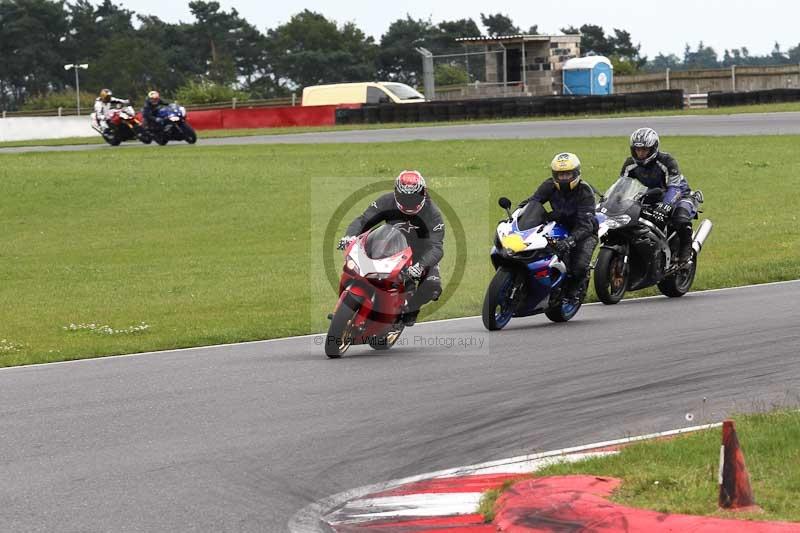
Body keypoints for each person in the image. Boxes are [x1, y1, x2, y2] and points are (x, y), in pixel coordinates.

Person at [338, 170, 445, 326]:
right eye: (404, 198)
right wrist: (350, 236)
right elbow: (363, 220)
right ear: (396, 193)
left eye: (414, 198)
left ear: (424, 193)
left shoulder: (433, 214)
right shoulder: (386, 201)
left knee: (432, 286)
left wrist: (421, 266)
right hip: (389, 246)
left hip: (420, 254)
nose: (409, 203)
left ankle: (411, 309)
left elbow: (436, 247)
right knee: (357, 267)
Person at [520, 152, 598, 304]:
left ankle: (574, 292)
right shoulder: (549, 185)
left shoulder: (585, 191)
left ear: (576, 173)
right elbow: (532, 202)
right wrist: (517, 217)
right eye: (560, 175)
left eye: (568, 174)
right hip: (559, 225)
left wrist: (570, 241)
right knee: (537, 251)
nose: (564, 178)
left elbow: (586, 224)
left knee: (579, 266)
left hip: (584, 231)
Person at [620, 127, 696, 263]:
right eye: (637, 149)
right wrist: (614, 201)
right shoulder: (629, 164)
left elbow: (674, 188)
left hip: (680, 194)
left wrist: (665, 206)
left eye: (644, 149)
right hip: (653, 195)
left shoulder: (667, 161)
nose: (640, 153)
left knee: (680, 218)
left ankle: (686, 250)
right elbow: (622, 186)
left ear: (653, 148)